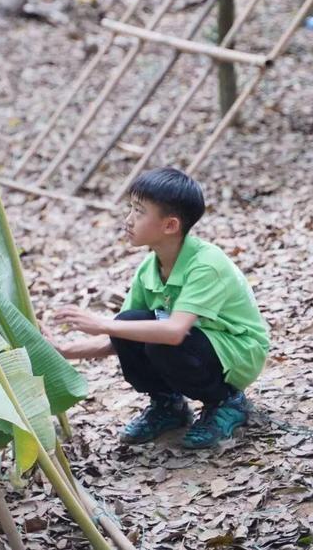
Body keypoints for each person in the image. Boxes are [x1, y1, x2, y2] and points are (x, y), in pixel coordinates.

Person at [52, 167, 270, 449]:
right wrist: (64, 351)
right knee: (130, 321)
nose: (128, 220)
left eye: (139, 212)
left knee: (157, 339)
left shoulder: (206, 264)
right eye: (130, 208)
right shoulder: (148, 268)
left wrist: (104, 323)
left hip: (238, 353)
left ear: (170, 226)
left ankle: (226, 402)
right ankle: (168, 406)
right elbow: (123, 334)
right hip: (194, 344)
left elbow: (174, 332)